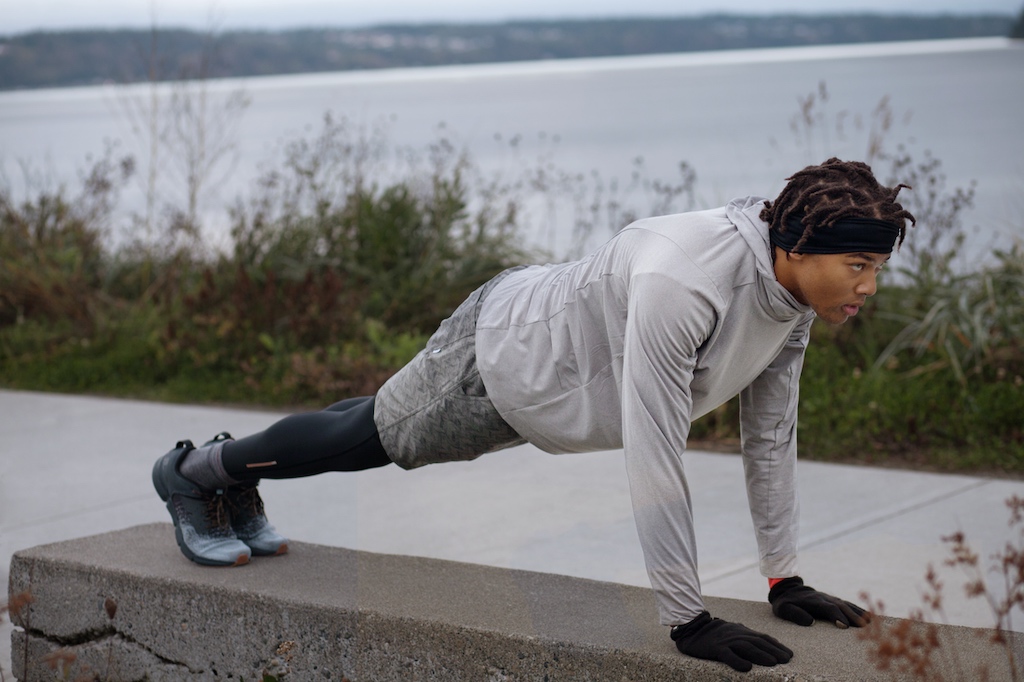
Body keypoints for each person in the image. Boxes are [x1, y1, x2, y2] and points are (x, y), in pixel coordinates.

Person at [153, 157, 915, 673]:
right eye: (859, 266)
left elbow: (771, 436)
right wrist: (688, 620)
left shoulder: (795, 296)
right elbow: (655, 449)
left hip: (560, 377)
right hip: (506, 358)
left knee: (374, 420)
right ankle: (195, 473)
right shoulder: (686, 281)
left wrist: (784, 579)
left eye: (877, 268)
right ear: (799, 244)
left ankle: (229, 464)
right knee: (377, 437)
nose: (869, 288)